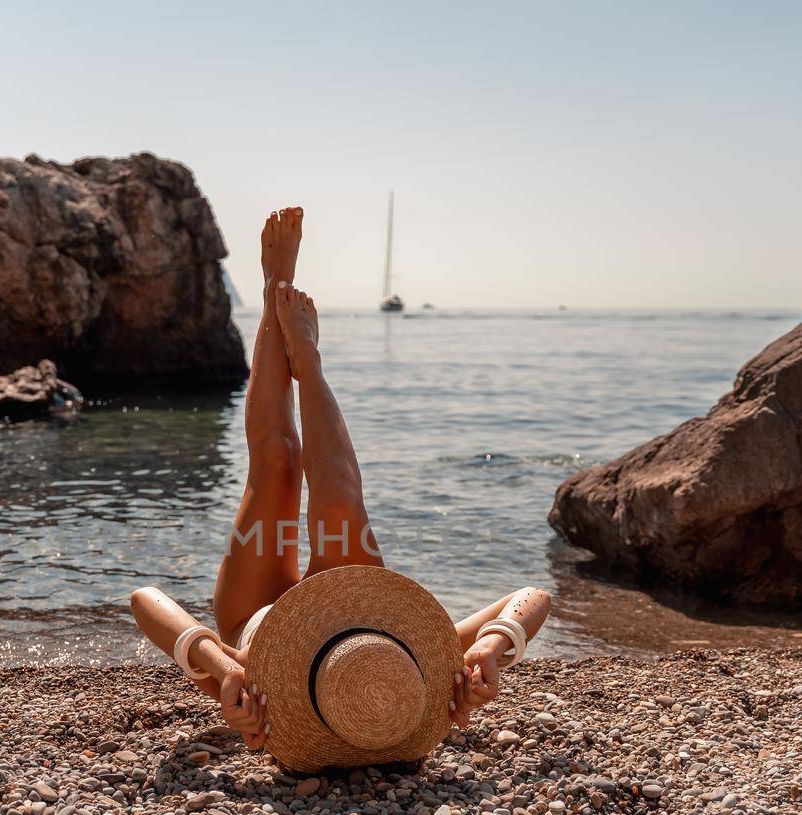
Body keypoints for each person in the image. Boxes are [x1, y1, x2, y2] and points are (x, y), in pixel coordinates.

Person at [131, 208, 551, 765]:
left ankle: (273, 291)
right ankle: (308, 362)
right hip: (362, 606)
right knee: (340, 499)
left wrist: (225, 665)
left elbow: (146, 602)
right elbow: (534, 597)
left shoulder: (258, 694)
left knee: (278, 462)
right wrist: (493, 650)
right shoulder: (410, 663)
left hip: (250, 609)